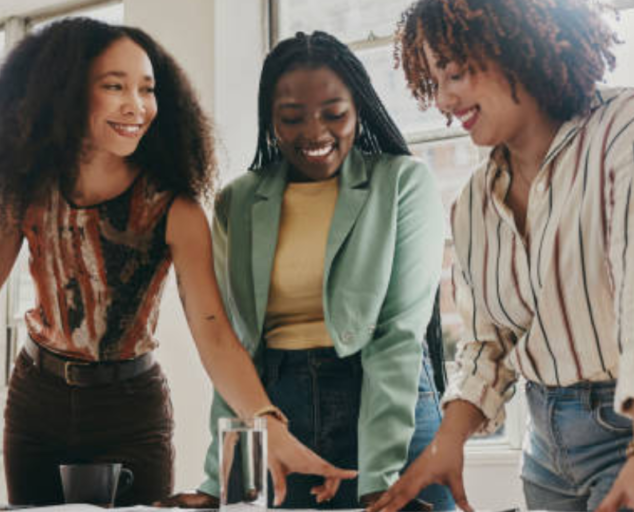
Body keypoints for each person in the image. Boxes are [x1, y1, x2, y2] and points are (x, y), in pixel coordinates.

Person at [0, 18, 355, 511]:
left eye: (147, 88)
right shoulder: (27, 197)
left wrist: (268, 425)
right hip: (36, 402)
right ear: (66, 94)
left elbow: (213, 332)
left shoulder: (175, 209)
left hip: (130, 409)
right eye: (114, 86)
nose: (136, 104)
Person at [369, 1, 634, 512]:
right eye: (434, 81)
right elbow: (490, 342)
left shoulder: (633, 128)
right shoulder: (472, 204)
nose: (443, 98)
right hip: (549, 447)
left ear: (513, 45)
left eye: (457, 73)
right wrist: (448, 441)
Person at [160, 31, 454, 510]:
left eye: (334, 114)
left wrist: (378, 478)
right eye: (291, 118)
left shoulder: (401, 182)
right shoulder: (239, 200)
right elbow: (236, 348)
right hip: (280, 415)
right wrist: (219, 481)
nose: (314, 133)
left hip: (388, 411)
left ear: (358, 109)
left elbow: (397, 335)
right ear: (270, 121)